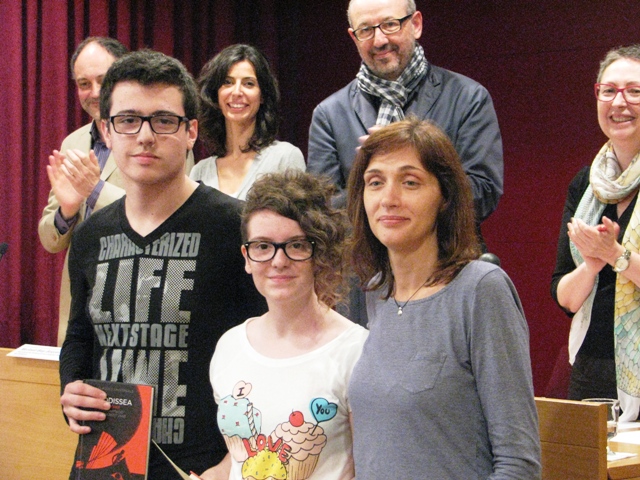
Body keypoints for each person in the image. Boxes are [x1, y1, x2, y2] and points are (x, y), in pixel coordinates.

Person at [59, 49, 266, 479]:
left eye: (164, 121)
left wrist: (234, 462)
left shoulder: (236, 228)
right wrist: (71, 389)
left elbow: (271, 349)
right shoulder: (90, 236)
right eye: (128, 120)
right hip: (106, 463)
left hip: (204, 467)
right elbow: (80, 336)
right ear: (106, 130)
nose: (145, 136)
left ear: (191, 131)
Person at [346, 118, 541, 478]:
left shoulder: (481, 290)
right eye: (375, 182)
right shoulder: (375, 293)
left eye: (410, 182)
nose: (388, 199)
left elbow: (519, 462)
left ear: (445, 196)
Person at [204, 171, 367, 480]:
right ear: (246, 257)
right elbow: (243, 458)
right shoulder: (230, 346)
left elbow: (371, 466)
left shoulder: (356, 351)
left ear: (319, 252)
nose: (278, 261)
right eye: (263, 246)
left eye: (296, 245)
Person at [308, 0, 502, 223]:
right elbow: (321, 211)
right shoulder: (329, 114)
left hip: (445, 245)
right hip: (361, 246)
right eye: (366, 30)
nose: (380, 40)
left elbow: (484, 193)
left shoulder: (468, 97)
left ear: (416, 24)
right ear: (354, 37)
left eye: (390, 24)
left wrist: (414, 158)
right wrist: (376, 184)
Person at [551, 44, 640, 422]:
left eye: (634, 91)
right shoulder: (585, 184)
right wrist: (590, 265)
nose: (619, 102)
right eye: (609, 90)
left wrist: (616, 255)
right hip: (592, 365)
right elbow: (565, 297)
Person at [38, 37, 128, 346]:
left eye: (103, 80)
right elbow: (50, 240)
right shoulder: (72, 143)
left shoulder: (153, 134)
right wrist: (66, 212)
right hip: (80, 302)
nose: (94, 92)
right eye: (84, 84)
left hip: (133, 295)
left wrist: (95, 190)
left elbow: (164, 214)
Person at [190, 44, 305, 200]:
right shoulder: (199, 172)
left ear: (262, 95)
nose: (236, 92)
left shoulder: (285, 158)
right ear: (215, 94)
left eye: (248, 83)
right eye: (228, 82)